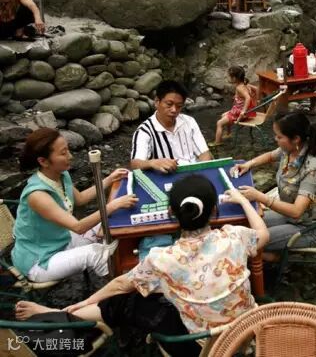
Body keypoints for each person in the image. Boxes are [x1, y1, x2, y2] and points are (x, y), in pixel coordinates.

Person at [15, 174, 269, 357]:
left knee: (127, 300)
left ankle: (62, 314)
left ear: (171, 213)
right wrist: (243, 201)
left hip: (200, 348)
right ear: (214, 210)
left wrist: (86, 301)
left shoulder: (162, 259)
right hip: (246, 337)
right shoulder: (235, 236)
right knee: (150, 291)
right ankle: (63, 316)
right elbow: (263, 233)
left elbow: (119, 285)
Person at [11, 128, 138, 283]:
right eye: (63, 153)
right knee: (96, 253)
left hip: (61, 240)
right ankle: (121, 289)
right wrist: (111, 206)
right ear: (43, 161)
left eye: (68, 150)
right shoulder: (37, 195)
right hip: (40, 260)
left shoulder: (61, 175)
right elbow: (78, 227)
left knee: (113, 224)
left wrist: (109, 179)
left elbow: (81, 199)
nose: (70, 156)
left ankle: (127, 269)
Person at [230, 112, 316, 256]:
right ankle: (268, 255)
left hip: (309, 227)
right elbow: (270, 156)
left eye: (279, 137)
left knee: (253, 239)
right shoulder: (289, 150)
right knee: (246, 223)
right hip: (289, 216)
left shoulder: (312, 168)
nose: (275, 139)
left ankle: (274, 258)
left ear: (296, 139)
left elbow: (296, 211)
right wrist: (249, 164)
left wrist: (259, 197)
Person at [130, 80, 212, 173]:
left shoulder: (189, 122)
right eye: (169, 104)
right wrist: (152, 163)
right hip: (166, 177)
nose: (174, 110)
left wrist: (202, 171)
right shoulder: (144, 131)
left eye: (179, 106)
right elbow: (135, 164)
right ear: (157, 102)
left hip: (195, 173)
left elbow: (204, 153)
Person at [212, 66, 256, 146]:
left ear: (234, 78)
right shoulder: (245, 84)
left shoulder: (239, 88)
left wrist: (243, 111)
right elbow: (256, 89)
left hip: (241, 114)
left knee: (219, 123)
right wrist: (256, 99)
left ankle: (217, 142)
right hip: (246, 112)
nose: (228, 78)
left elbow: (248, 98)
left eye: (229, 76)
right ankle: (228, 133)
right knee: (223, 115)